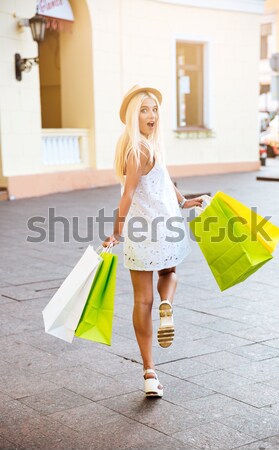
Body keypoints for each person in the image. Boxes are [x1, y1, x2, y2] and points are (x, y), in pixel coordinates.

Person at [103, 84, 203, 397]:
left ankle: (149, 373)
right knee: (170, 274)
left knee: (140, 301)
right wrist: (115, 230)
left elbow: (163, 181)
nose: (152, 115)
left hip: (140, 233)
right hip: (163, 228)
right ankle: (167, 305)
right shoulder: (141, 148)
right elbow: (130, 193)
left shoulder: (141, 146)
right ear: (134, 116)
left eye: (155, 109)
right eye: (145, 109)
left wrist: (185, 200)